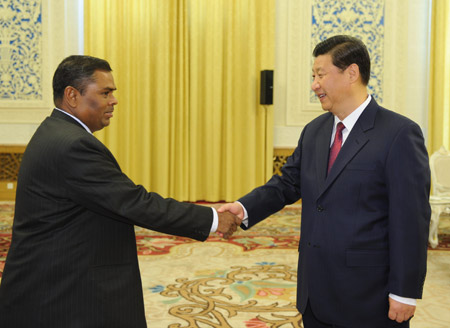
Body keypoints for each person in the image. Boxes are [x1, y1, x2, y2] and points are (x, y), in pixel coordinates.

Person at [0, 55, 241, 327]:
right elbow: (135, 202)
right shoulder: (72, 146)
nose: (113, 101)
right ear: (72, 95)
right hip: (61, 292)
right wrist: (213, 219)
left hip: (57, 277)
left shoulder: (57, 132)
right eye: (105, 93)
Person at [218, 35, 431, 328]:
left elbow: (411, 218)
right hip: (315, 291)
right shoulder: (315, 131)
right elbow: (286, 183)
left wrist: (405, 291)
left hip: (368, 296)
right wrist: (243, 208)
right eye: (312, 76)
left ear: (352, 73)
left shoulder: (399, 134)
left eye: (320, 75)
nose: (313, 84)